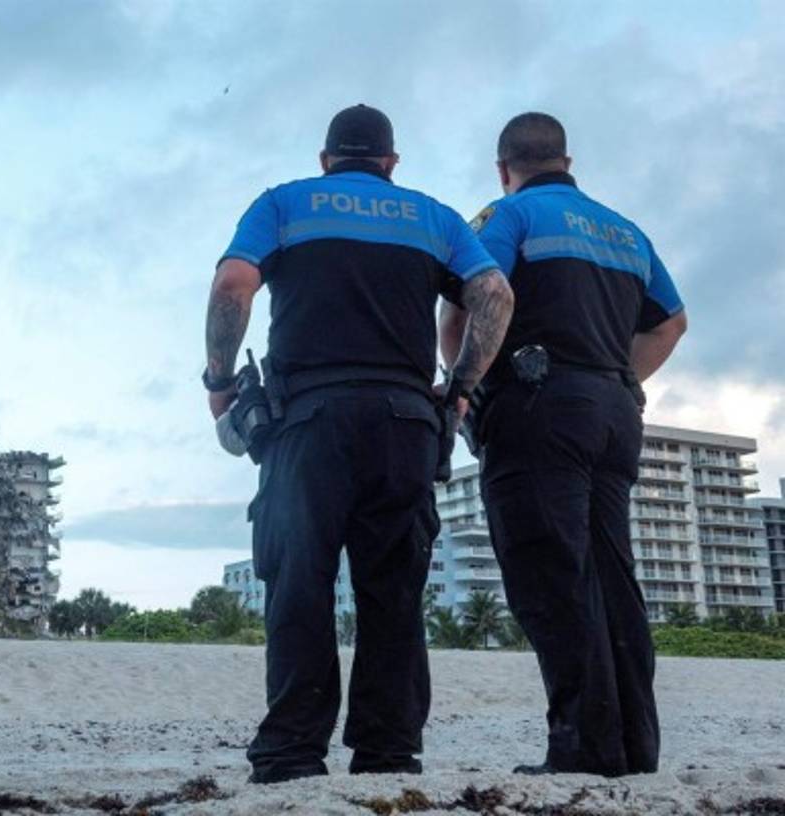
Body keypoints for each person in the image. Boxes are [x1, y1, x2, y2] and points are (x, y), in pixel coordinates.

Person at [204, 104, 513, 783]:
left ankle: (292, 754)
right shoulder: (434, 217)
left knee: (299, 585)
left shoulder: (284, 203)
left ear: (325, 160)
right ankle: (388, 753)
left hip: (307, 423)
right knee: (393, 594)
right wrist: (461, 388)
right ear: (390, 163)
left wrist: (220, 381)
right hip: (405, 423)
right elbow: (494, 293)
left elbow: (232, 285)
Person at [440, 112, 687, 777]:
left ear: (504, 168)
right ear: (567, 163)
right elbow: (672, 323)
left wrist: (464, 386)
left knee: (551, 576)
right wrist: (614, 378)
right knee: (612, 577)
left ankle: (584, 749)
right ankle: (635, 747)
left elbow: (472, 303)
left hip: (537, 406)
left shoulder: (508, 215)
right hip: (614, 412)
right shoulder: (625, 230)